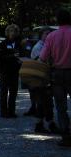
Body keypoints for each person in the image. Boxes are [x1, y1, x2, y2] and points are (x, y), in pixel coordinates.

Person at [40, 9, 71, 146]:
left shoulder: (51, 36)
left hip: (57, 73)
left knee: (60, 105)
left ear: (57, 21)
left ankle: (65, 135)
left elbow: (43, 57)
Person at [29, 27, 59, 134]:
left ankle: (48, 123)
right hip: (40, 78)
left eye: (49, 33)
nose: (48, 35)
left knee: (47, 102)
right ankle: (41, 124)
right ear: (41, 35)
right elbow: (41, 62)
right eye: (46, 33)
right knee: (42, 102)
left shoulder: (45, 45)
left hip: (45, 78)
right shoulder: (38, 47)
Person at [0, 24, 22, 118]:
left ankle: (12, 111)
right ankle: (4, 112)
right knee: (4, 92)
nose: (12, 33)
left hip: (15, 72)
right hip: (5, 71)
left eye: (14, 31)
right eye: (11, 31)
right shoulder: (3, 43)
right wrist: (12, 56)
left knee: (13, 92)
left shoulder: (18, 43)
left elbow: (22, 55)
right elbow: (0, 57)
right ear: (7, 33)